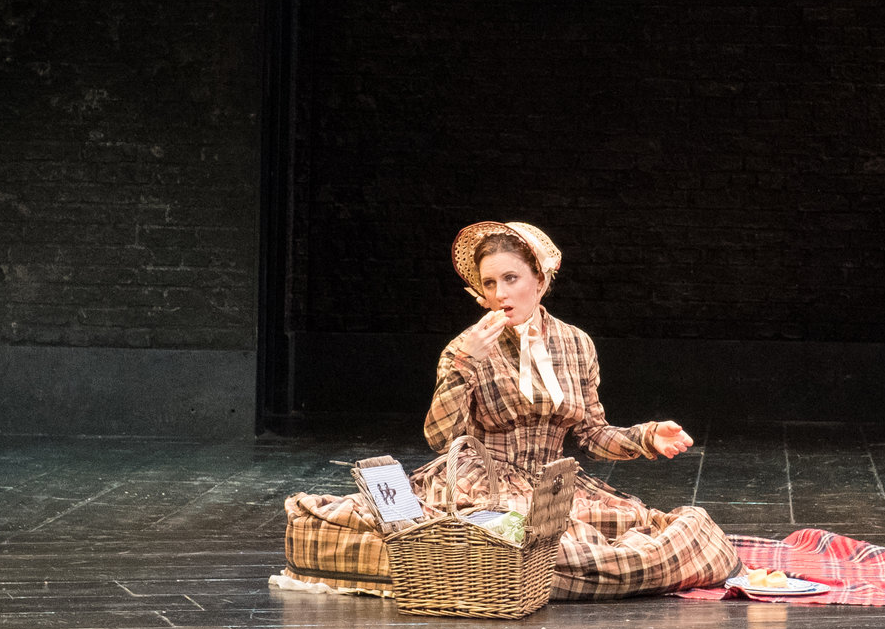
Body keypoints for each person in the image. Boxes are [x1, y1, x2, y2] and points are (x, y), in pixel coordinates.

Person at [281, 221, 738, 599]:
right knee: (527, 541)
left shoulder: (576, 344)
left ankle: (531, 574)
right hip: (484, 482)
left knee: (671, 531)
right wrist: (464, 364)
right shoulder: (466, 348)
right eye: (490, 283)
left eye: (512, 279)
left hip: (555, 482)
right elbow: (442, 440)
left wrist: (645, 436)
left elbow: (590, 435)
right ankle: (512, 573)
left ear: (540, 280)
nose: (501, 293)